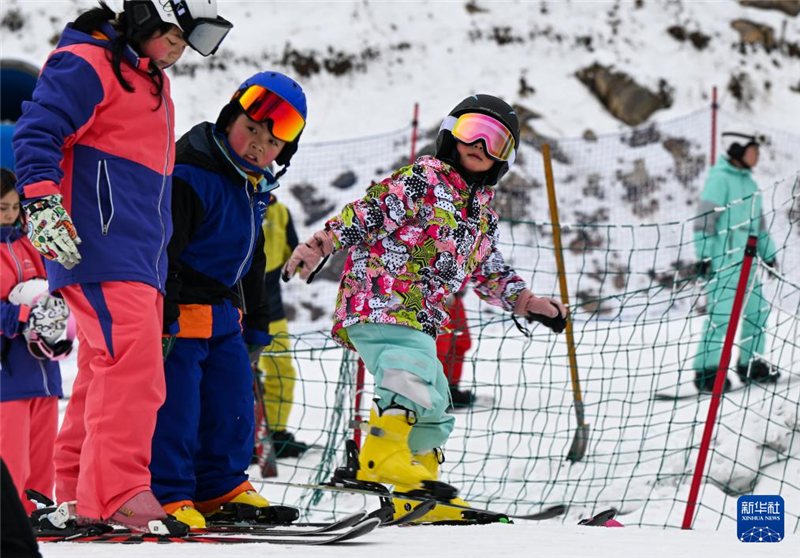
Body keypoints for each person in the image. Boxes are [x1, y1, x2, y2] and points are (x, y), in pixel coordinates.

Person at [283, 94, 567, 523]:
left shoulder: (483, 214)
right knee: (409, 368)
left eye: (497, 143)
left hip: (419, 318)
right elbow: (368, 212)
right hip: (380, 298)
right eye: (475, 133)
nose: (482, 148)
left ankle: (419, 492)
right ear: (452, 132)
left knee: (434, 399)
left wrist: (528, 303)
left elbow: (489, 270)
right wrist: (320, 244)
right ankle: (379, 454)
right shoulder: (424, 178)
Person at [11, 0, 232, 533]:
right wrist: (40, 200)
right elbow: (36, 132)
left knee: (103, 368)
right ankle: (117, 492)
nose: (179, 50)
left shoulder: (151, 80)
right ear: (147, 17)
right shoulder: (88, 63)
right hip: (102, 246)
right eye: (175, 36)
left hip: (138, 255)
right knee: (135, 366)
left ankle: (82, 488)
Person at [151, 71, 307, 529]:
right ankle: (169, 491)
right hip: (180, 314)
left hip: (224, 317)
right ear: (229, 118)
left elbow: (254, 261)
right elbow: (165, 248)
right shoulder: (191, 172)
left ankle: (221, 484)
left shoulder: (251, 186)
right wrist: (165, 312)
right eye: (252, 129)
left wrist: (257, 322)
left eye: (273, 143)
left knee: (232, 403)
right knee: (178, 408)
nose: (259, 145)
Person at [0, 168, 67, 517]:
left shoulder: (29, 243)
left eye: (13, 206)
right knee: (11, 454)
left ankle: (40, 511)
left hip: (42, 369)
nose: (9, 214)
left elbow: (53, 290)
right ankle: (10, 517)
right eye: (1, 208)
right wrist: (19, 317)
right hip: (7, 376)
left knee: (44, 451)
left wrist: (59, 322)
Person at [692, 131, 778, 393]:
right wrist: (705, 254)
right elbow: (704, 219)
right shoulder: (719, 180)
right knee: (721, 317)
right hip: (724, 262)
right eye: (754, 149)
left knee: (758, 311)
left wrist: (769, 253)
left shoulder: (751, 185)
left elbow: (759, 226)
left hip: (748, 263)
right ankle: (707, 371)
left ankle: (750, 364)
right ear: (738, 149)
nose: (758, 155)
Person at [257, 195, 311, 458]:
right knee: (238, 377)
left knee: (282, 373)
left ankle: (274, 434)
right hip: (234, 307)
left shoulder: (279, 211)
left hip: (272, 309)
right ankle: (243, 436)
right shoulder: (235, 198)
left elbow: (294, 252)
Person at [436, 290, 474, 408]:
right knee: (439, 346)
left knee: (462, 342)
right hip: (434, 297)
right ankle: (434, 390)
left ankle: (451, 389)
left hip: (456, 294)